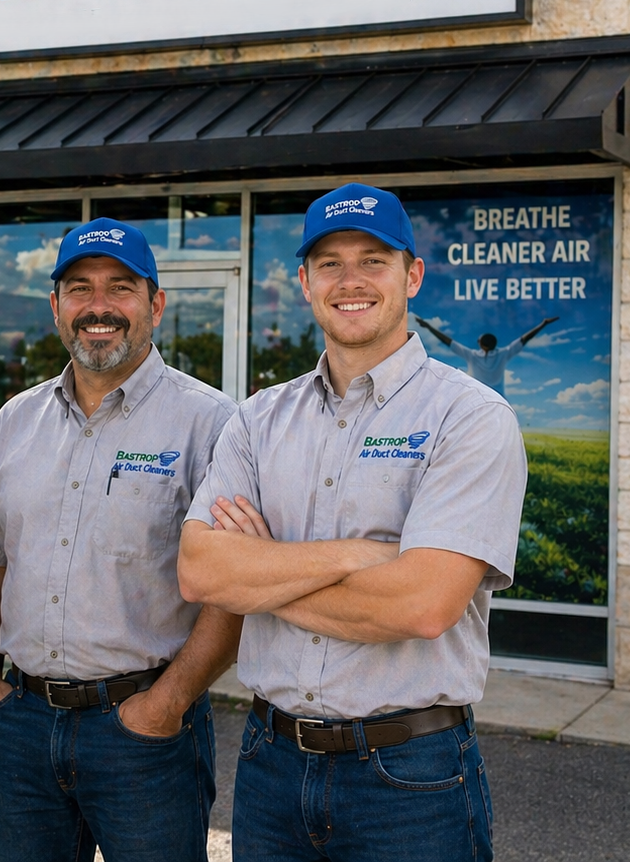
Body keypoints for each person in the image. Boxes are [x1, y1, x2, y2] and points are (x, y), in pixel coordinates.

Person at [178, 183, 528, 862]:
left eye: (373, 260)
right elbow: (200, 572)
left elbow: (423, 606)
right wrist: (355, 556)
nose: (350, 281)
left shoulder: (470, 417)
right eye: (330, 263)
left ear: (412, 276)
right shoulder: (257, 419)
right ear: (305, 283)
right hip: (270, 765)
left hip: (410, 778)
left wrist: (261, 575)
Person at [0, 218, 243, 862]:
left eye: (121, 287)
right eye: (79, 288)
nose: (99, 306)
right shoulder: (14, 421)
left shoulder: (213, 424)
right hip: (23, 725)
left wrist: (167, 703)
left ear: (155, 306)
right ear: (56, 306)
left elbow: (234, 590)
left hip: (145, 732)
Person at [415, 315, 558, 396]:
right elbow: (524, 339)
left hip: (476, 396)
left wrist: (428, 326)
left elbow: (447, 341)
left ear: (481, 344)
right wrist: (543, 324)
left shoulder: (472, 355)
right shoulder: (503, 354)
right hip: (498, 398)